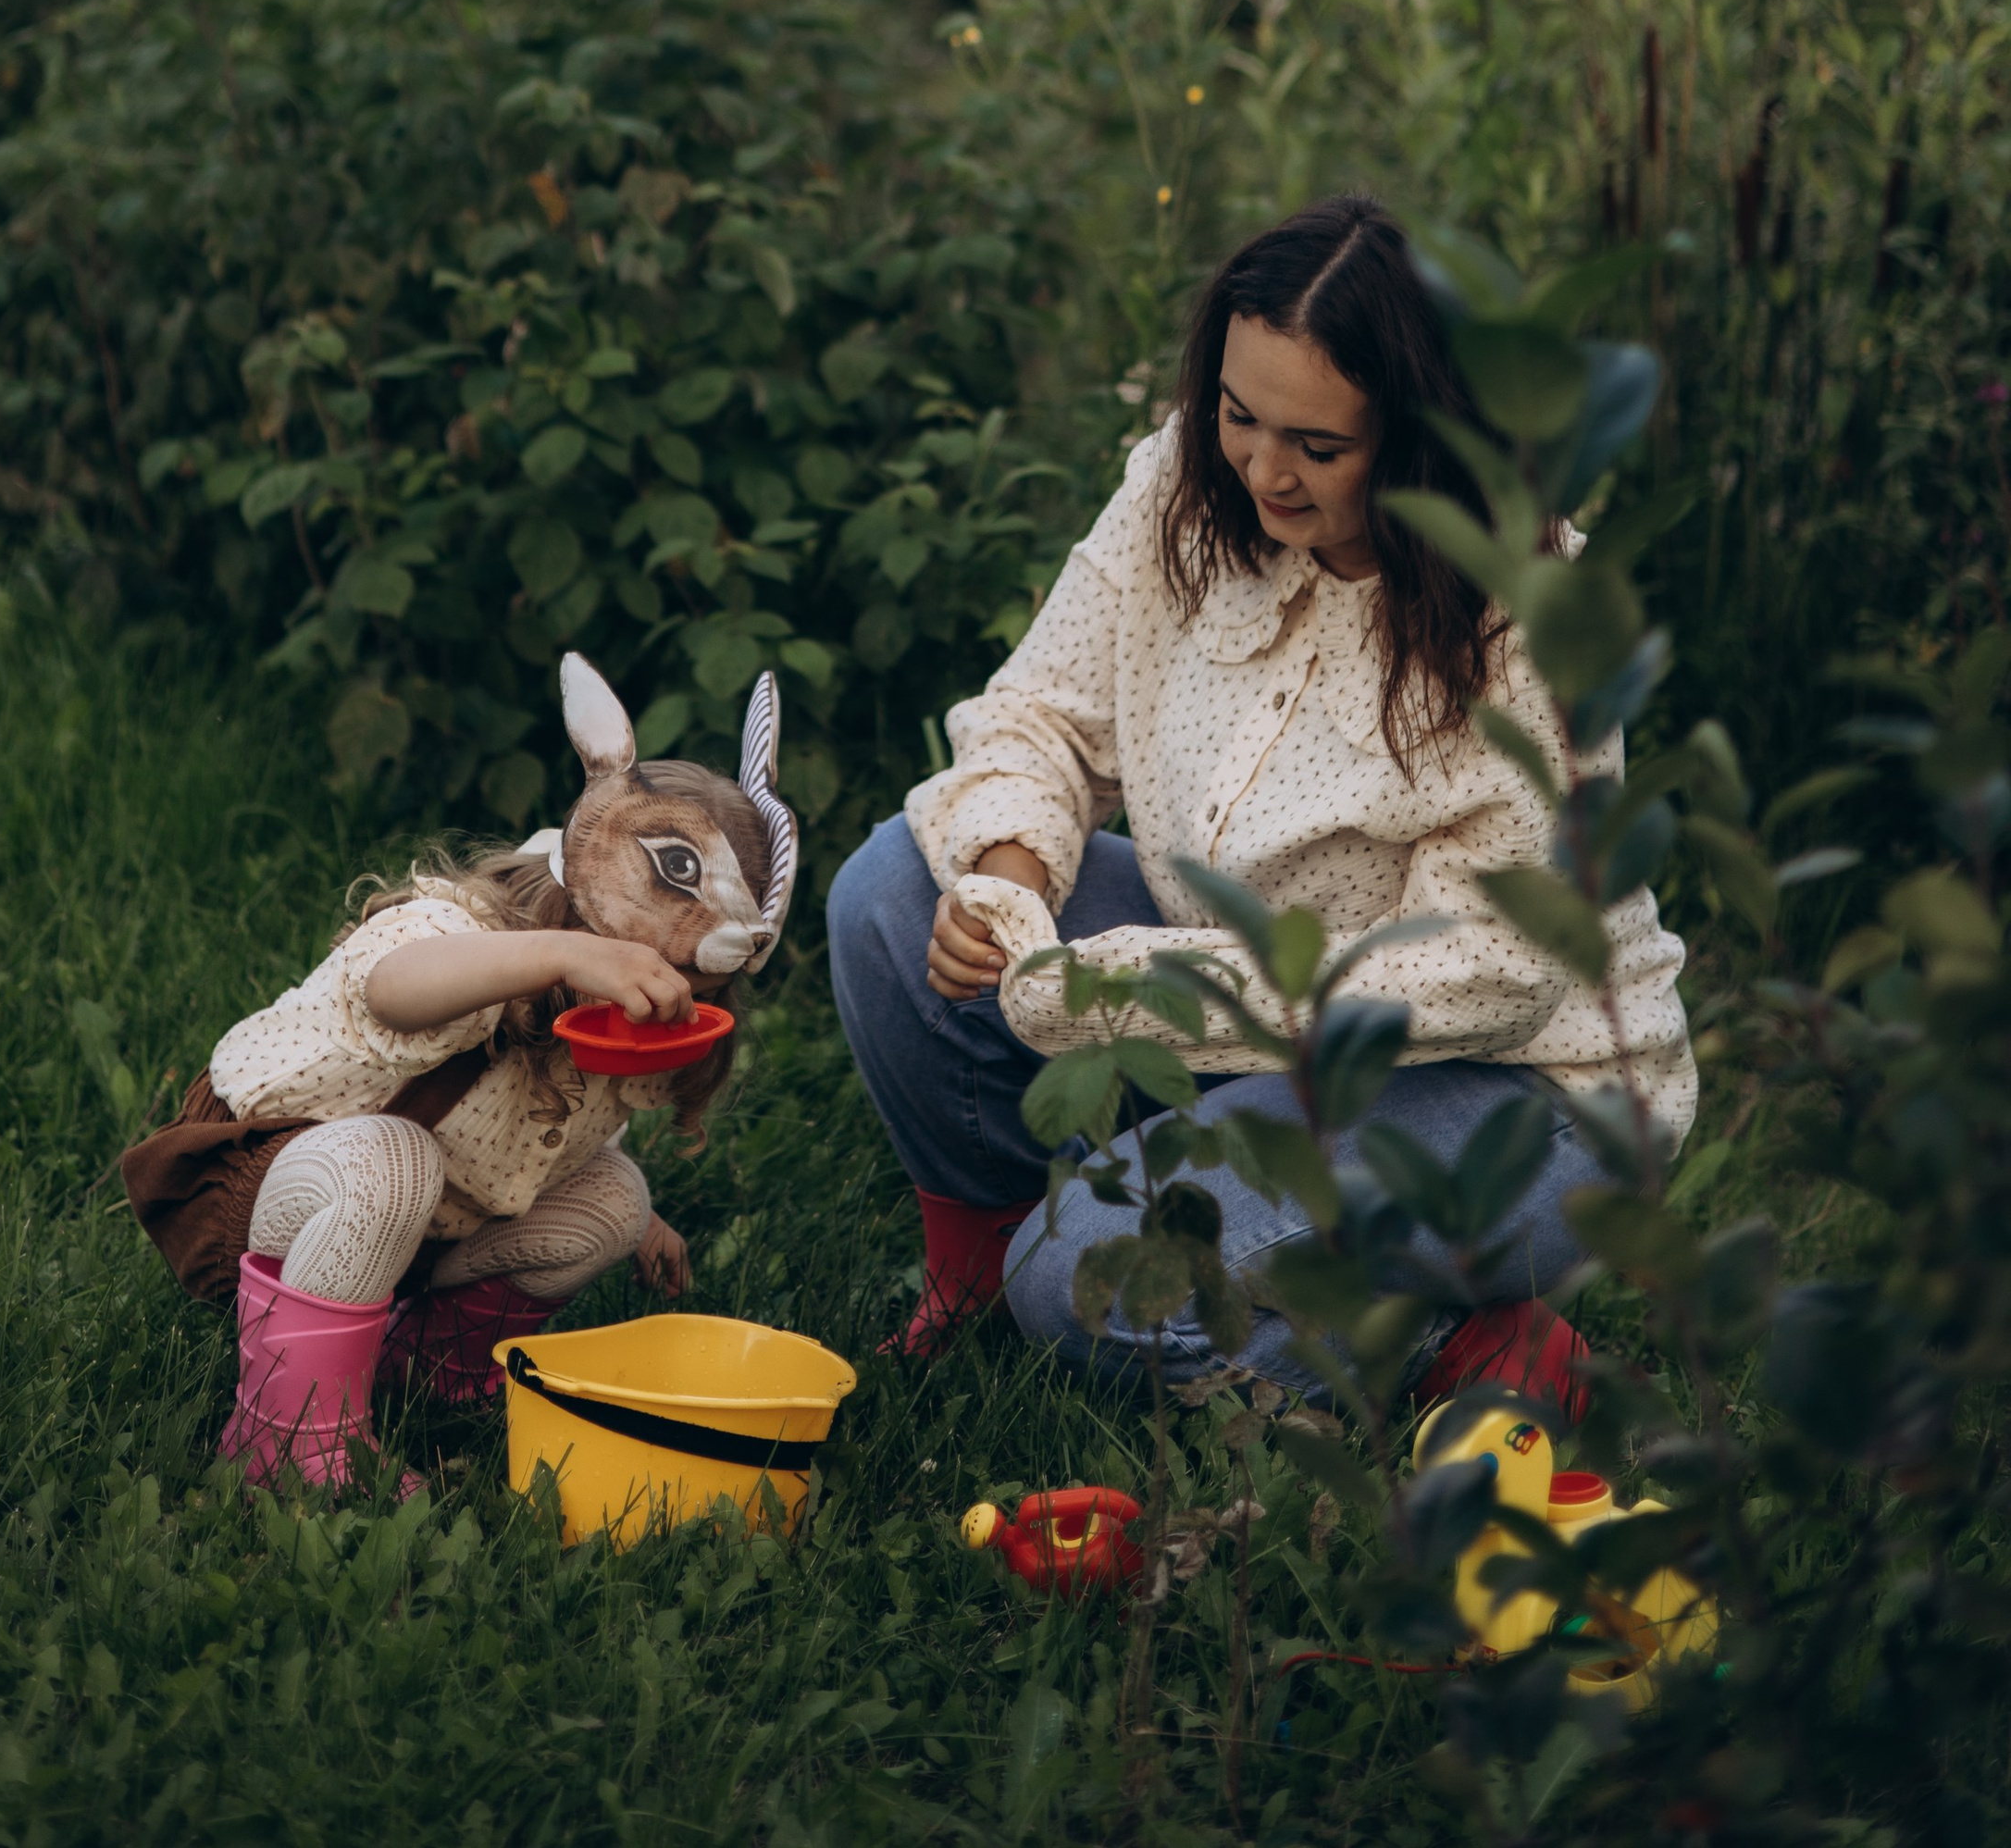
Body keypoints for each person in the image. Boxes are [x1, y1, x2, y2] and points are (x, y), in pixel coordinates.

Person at [827, 196, 1694, 1414]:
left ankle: (1462, 1346)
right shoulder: (1184, 483)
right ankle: (981, 1283)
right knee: (891, 892)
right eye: (1239, 414)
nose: (1262, 470)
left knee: (1087, 1283)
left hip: (1515, 1086)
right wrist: (1009, 881)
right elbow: (1042, 714)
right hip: (1249, 1023)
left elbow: (1491, 973)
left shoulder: (1526, 609)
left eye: (1317, 447)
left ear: (1417, 438)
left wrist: (1138, 984)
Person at [122, 657, 796, 1489]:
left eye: (700, 988)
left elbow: (563, 1126)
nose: (662, 1000)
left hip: (423, 1227)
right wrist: (565, 954)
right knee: (393, 1160)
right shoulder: (461, 929)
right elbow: (393, 990)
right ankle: (287, 1444)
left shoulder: (637, 1013)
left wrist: (637, 1202)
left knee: (618, 1199)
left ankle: (418, 1371)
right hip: (266, 1181)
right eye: (655, 970)